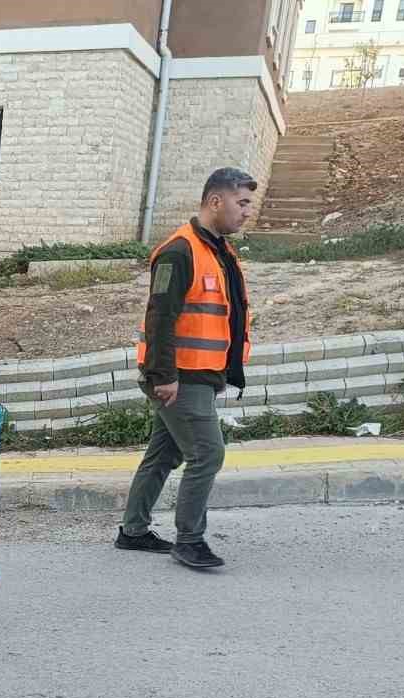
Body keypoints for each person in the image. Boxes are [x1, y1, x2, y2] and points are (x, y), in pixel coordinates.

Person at [116, 166, 257, 570]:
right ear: (216, 201)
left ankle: (133, 531)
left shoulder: (218, 250)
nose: (247, 212)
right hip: (180, 376)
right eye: (241, 202)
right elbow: (161, 317)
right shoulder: (180, 251)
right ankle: (189, 540)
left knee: (163, 454)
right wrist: (164, 377)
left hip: (200, 374)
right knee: (208, 454)